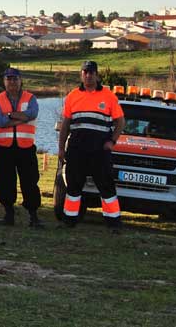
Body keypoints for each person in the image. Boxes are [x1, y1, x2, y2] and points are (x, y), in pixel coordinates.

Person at [57, 61, 125, 232]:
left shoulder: (108, 96)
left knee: (106, 187)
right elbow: (65, 124)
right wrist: (60, 148)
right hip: (77, 149)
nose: (88, 75)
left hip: (99, 151)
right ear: (81, 74)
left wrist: (112, 141)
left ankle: (113, 223)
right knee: (73, 186)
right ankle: (69, 220)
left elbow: (121, 122)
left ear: (97, 75)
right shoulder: (72, 96)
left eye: (92, 72)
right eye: (85, 72)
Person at [0, 68, 43, 228]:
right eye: (9, 79)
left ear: (20, 81)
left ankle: (33, 216)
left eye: (15, 79)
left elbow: (32, 114)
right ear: (4, 81)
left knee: (30, 181)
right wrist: (20, 117)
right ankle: (8, 215)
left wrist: (9, 116)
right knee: (5, 182)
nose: (12, 82)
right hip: (4, 148)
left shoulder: (31, 98)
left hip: (26, 148)